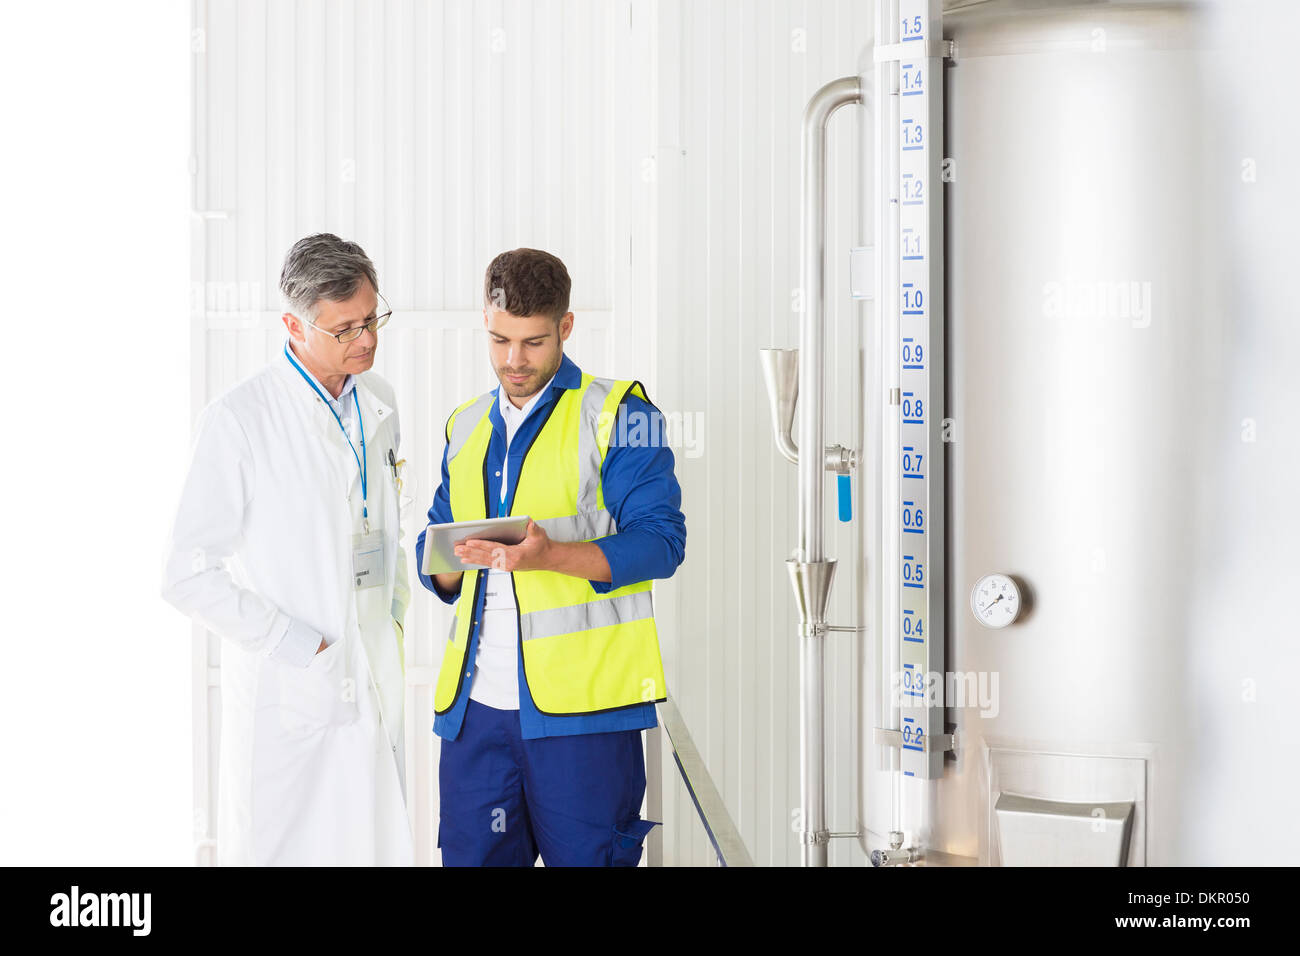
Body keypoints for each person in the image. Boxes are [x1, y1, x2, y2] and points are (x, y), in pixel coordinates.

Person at [417, 248, 687, 867]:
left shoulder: (621, 414)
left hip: (584, 718)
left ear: (565, 327)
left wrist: (550, 557)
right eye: (500, 340)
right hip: (475, 716)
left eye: (533, 342)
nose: (513, 360)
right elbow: (435, 550)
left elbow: (662, 543)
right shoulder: (465, 424)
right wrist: (449, 563)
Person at [162, 233, 414, 865]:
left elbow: (383, 525)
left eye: (372, 318)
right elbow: (186, 573)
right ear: (294, 326)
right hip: (292, 694)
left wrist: (395, 610)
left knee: (374, 845)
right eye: (345, 329)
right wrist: (300, 644)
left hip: (372, 674)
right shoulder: (239, 420)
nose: (366, 339)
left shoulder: (380, 401)